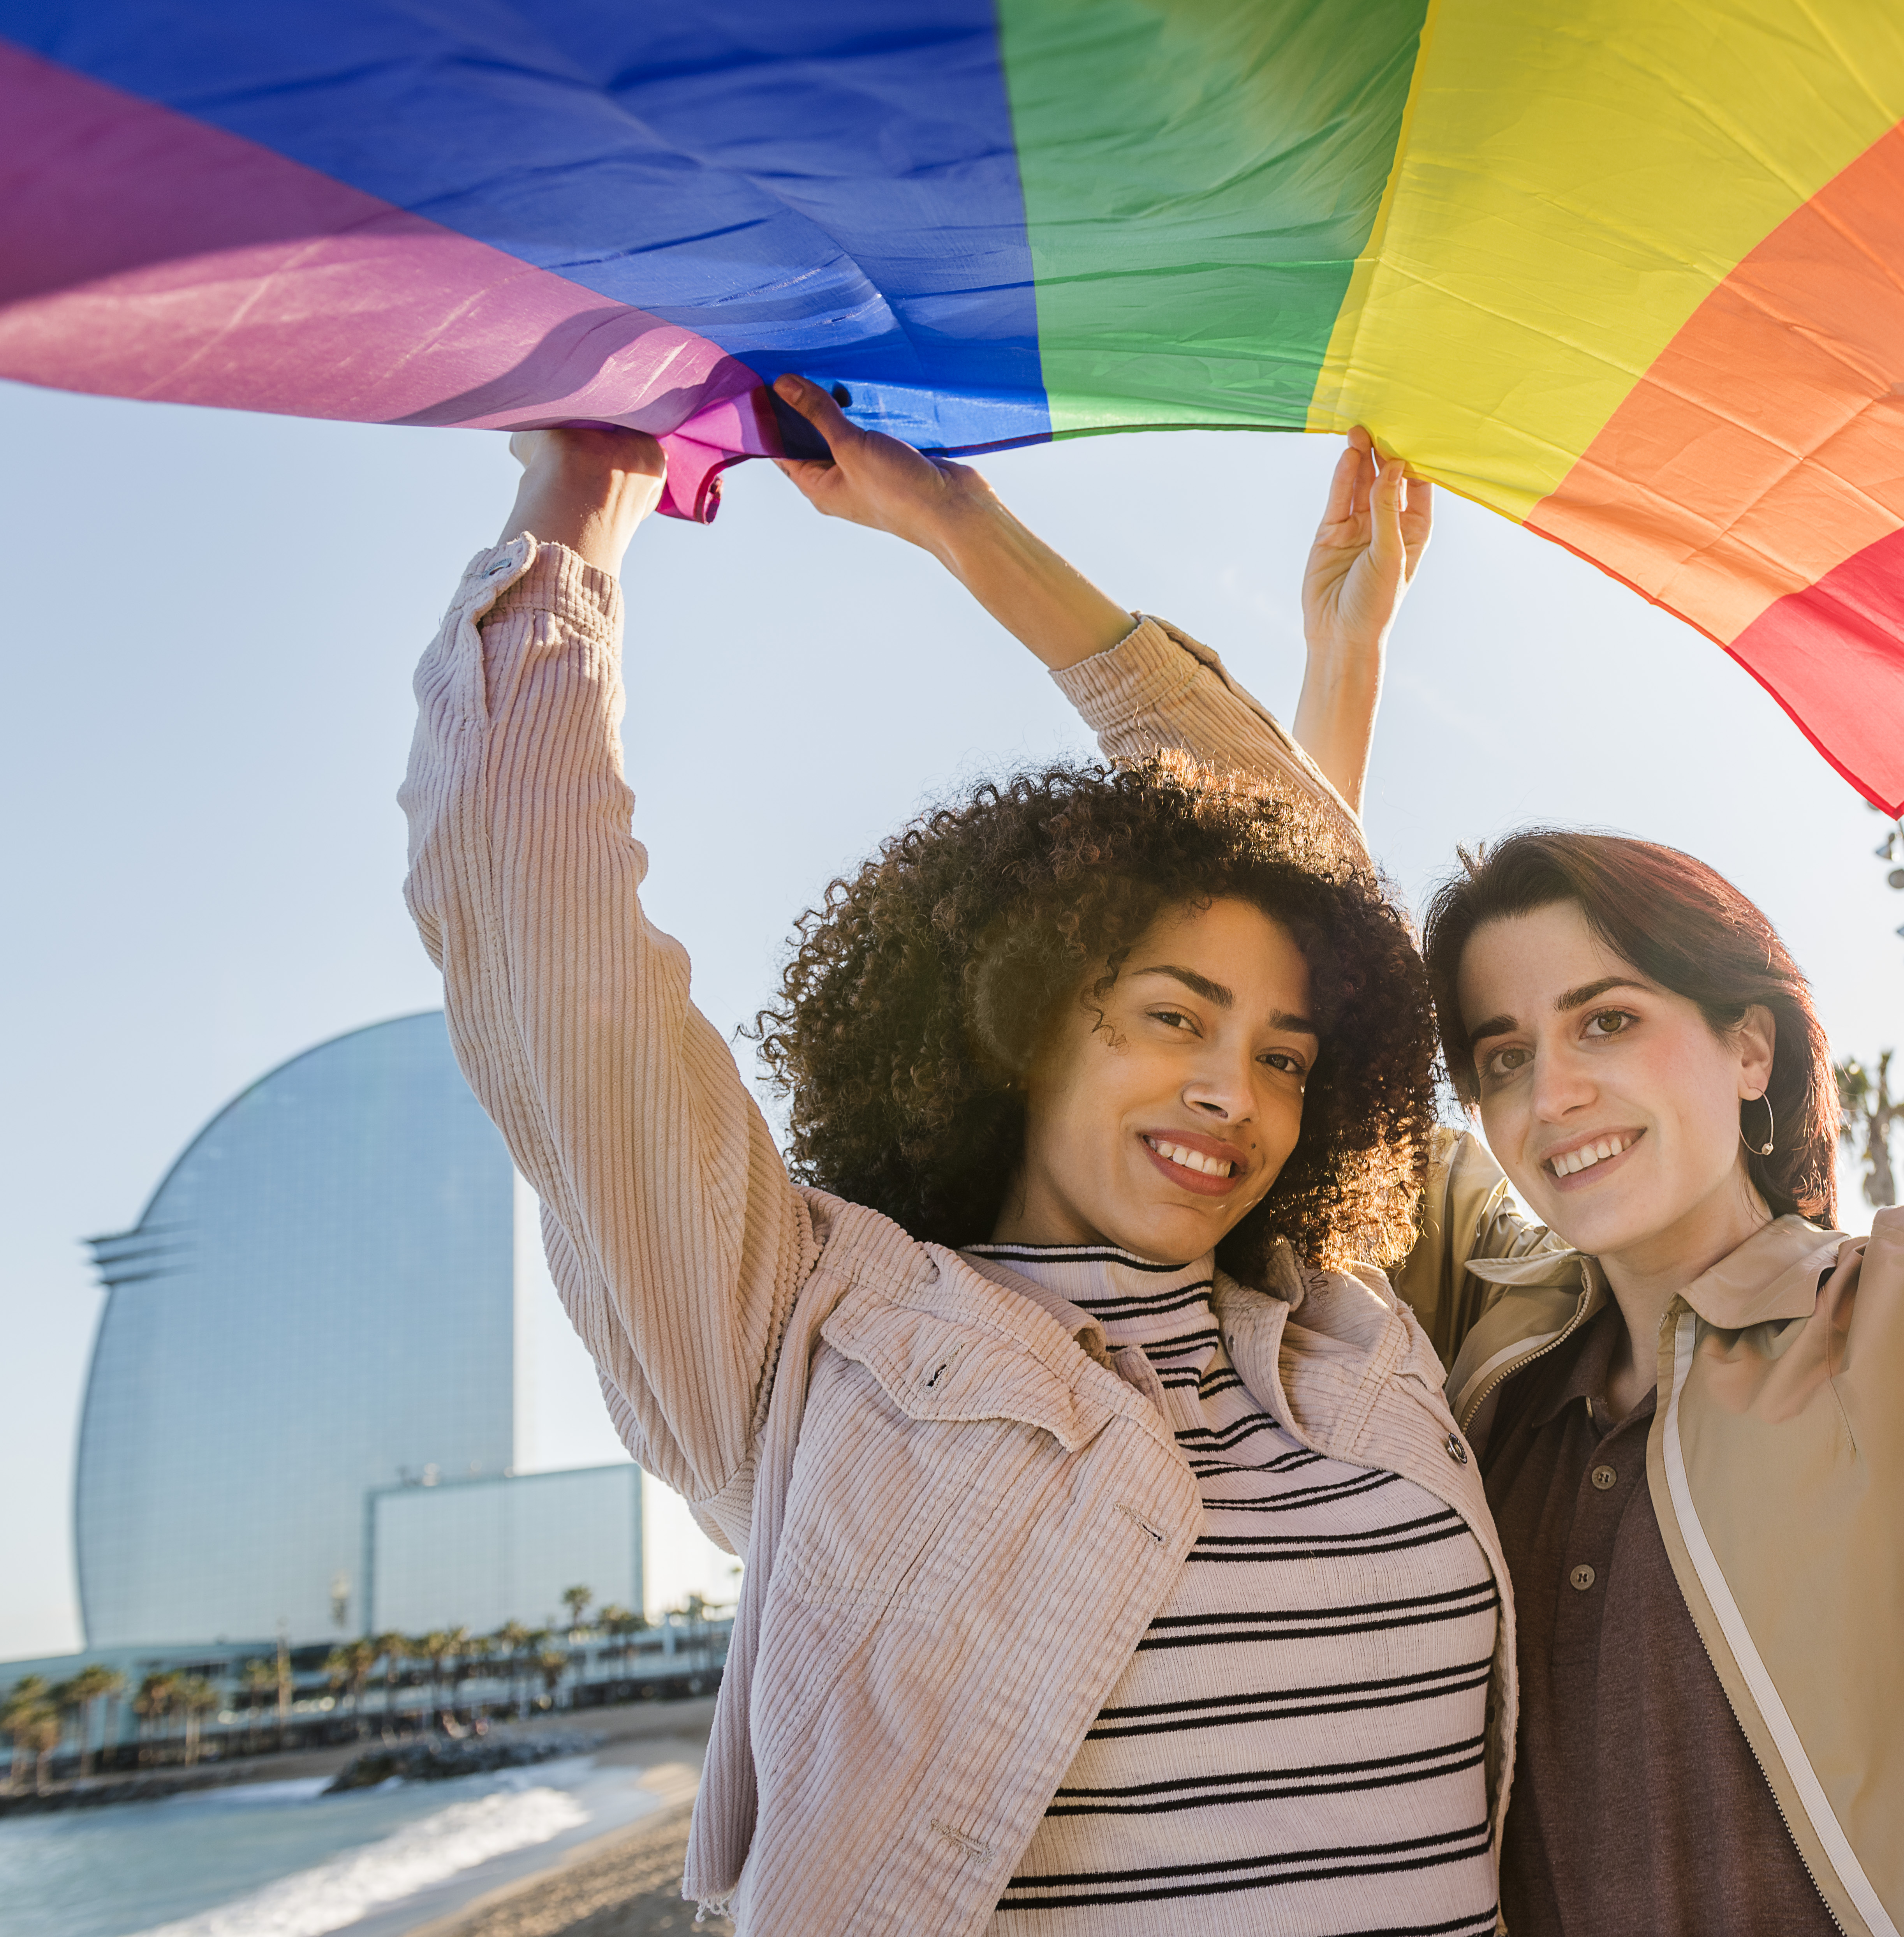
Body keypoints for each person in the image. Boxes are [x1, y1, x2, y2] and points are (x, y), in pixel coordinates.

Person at [763, 382, 1904, 1934]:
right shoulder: (1466, 1365)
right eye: (1499, 1053)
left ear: (1746, 1045)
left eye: (1604, 1019)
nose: (1547, 1089)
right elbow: (1288, 933)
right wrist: (973, 533)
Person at [402, 420, 1502, 1936]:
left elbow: (1319, 893)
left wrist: (967, 530)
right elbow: (550, 943)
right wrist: (576, 510)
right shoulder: (807, 1338)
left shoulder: (1339, 1337)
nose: (1229, 1092)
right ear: (1031, 1012)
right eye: (1172, 1015)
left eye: (1284, 1057)